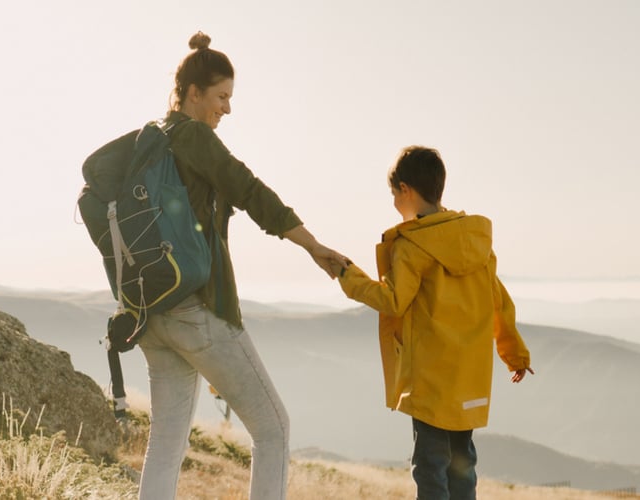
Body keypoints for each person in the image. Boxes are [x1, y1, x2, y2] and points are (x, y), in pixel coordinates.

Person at [134, 31, 349, 500]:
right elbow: (248, 190)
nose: (227, 109)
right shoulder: (192, 136)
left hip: (152, 312)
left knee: (166, 443)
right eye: (221, 97)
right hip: (197, 309)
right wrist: (312, 246)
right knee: (273, 429)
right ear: (194, 94)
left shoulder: (154, 138)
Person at [336, 146, 533, 500]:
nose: (394, 202)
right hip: (470, 379)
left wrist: (347, 275)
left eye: (394, 194)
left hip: (430, 380)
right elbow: (499, 303)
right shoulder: (476, 241)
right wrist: (515, 354)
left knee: (430, 467)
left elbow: (392, 300)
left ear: (406, 190)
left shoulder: (413, 244)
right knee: (462, 467)